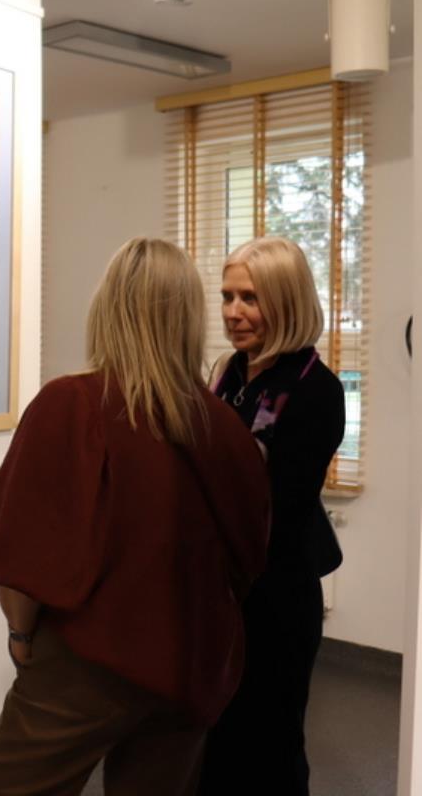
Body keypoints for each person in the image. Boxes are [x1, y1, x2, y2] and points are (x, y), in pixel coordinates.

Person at [0, 238, 270, 795]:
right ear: (190, 318)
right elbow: (248, 558)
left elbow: (21, 553)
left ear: (108, 308)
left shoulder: (73, 404)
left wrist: (20, 634)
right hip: (194, 665)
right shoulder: (228, 429)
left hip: (88, 662)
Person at [198, 236, 346, 796]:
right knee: (213, 745)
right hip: (219, 591)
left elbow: (280, 510)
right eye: (227, 296)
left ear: (285, 301)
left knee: (269, 747)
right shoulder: (227, 374)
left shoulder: (316, 390)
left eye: (250, 298)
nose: (233, 312)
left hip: (274, 596)